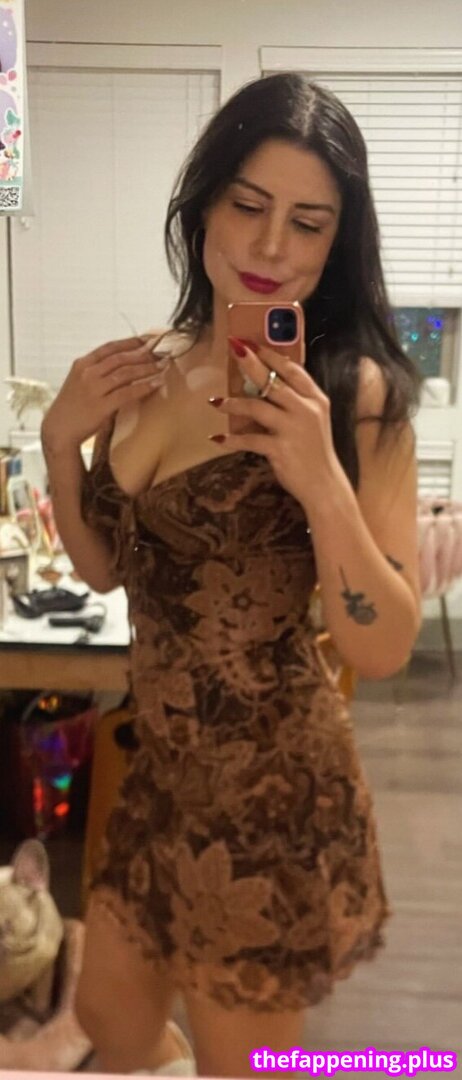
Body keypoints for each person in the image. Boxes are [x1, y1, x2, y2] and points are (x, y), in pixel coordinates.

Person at [41, 73, 422, 1078]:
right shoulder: (146, 368)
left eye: (308, 223)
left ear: (337, 243)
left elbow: (385, 647)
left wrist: (321, 481)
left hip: (270, 798)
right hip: (160, 776)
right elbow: (106, 571)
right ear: (203, 204)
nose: (271, 246)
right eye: (249, 205)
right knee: (110, 1020)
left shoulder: (354, 393)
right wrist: (58, 446)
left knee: (242, 1066)